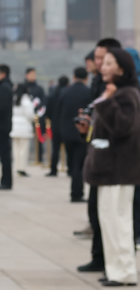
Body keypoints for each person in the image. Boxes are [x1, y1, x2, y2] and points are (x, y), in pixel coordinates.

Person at [80, 48, 140, 286]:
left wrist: (107, 102)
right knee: (108, 221)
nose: (102, 67)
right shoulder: (115, 93)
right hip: (108, 169)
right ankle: (115, 269)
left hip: (119, 170)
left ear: (122, 69)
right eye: (102, 63)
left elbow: (123, 127)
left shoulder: (127, 94)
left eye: (108, 63)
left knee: (119, 222)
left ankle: (124, 272)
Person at [78, 38, 124, 271]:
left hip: (118, 163)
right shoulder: (100, 84)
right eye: (97, 59)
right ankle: (100, 258)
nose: (98, 64)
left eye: (103, 60)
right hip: (100, 156)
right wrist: (87, 127)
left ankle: (119, 266)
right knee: (98, 211)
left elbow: (123, 126)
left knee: (117, 216)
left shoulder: (124, 91)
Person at [59, 68, 92, 204]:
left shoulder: (65, 92)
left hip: (67, 133)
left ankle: (75, 191)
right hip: (82, 132)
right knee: (79, 164)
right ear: (86, 78)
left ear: (73, 77)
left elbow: (59, 111)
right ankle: (77, 193)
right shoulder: (89, 92)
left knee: (72, 163)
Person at [10, 83, 37, 178]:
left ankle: (17, 167)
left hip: (14, 126)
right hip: (24, 127)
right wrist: (34, 118)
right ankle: (22, 168)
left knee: (16, 150)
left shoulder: (14, 99)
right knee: (23, 149)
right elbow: (30, 114)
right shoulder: (26, 100)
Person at [46, 75, 69, 176]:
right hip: (67, 124)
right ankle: (70, 169)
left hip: (55, 124)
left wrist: (52, 119)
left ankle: (53, 170)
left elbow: (48, 110)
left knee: (55, 149)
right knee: (69, 149)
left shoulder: (52, 94)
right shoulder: (68, 93)